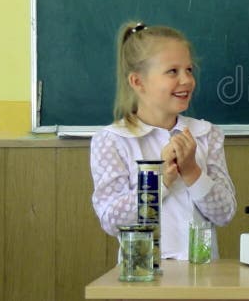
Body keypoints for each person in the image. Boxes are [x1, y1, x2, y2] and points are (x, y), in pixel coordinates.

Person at [90, 22, 236, 260]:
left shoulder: (206, 134)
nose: (186, 80)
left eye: (189, 70)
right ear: (137, 82)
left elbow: (224, 213)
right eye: (172, 71)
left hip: (203, 279)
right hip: (142, 278)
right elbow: (111, 219)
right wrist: (161, 181)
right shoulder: (112, 141)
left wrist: (192, 171)